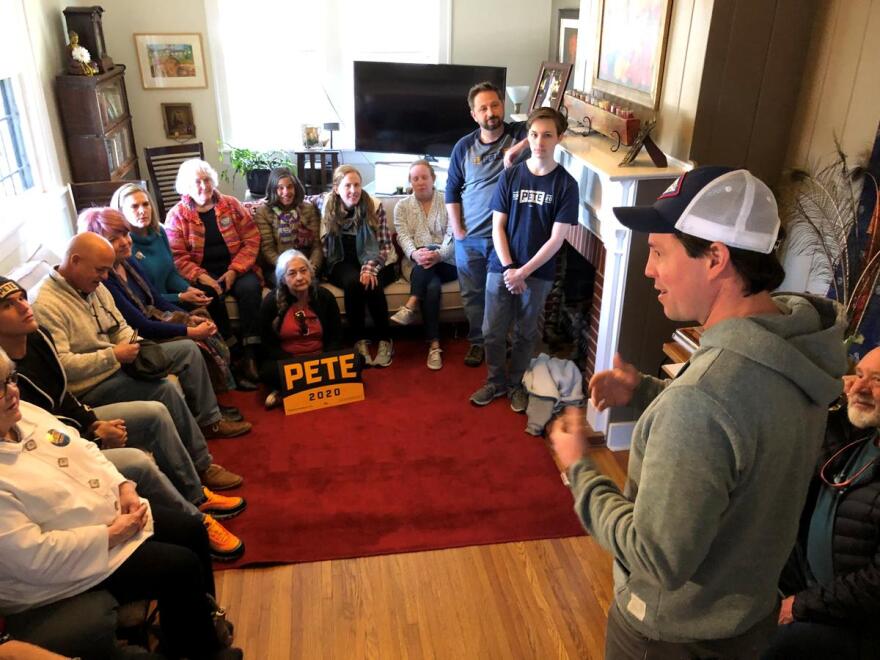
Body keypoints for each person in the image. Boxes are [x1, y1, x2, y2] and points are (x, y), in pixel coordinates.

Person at [548, 166, 848, 658]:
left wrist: (579, 467)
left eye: (660, 253)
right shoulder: (801, 346)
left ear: (715, 257)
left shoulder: (704, 399)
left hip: (668, 635)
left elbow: (655, 558)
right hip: (748, 621)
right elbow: (743, 435)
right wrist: (646, 391)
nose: (648, 269)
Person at [0, 347, 244, 660]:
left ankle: (192, 632)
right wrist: (111, 535)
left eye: (11, 379)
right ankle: (202, 650)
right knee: (179, 566)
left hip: (106, 517)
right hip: (66, 566)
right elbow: (35, 558)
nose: (12, 391)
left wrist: (123, 486)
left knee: (191, 528)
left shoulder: (25, 414)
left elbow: (83, 448)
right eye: (0, 387)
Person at [0, 275, 245, 560]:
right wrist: (93, 433)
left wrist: (92, 421)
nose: (23, 307)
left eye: (21, 297)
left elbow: (63, 393)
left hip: (75, 422)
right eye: (8, 304)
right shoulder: (6, 373)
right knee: (138, 461)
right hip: (50, 448)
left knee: (155, 412)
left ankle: (197, 495)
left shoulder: (36, 335)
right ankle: (194, 522)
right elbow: (35, 429)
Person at [29, 233, 248, 488]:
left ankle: (211, 422)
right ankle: (202, 466)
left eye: (107, 270)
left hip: (121, 362)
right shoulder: (45, 304)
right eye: (100, 270)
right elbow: (63, 368)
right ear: (75, 261)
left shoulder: (93, 285)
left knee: (187, 350)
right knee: (165, 389)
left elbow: (120, 326)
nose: (105, 277)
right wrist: (113, 354)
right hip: (91, 385)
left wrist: (132, 345)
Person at [763, 348, 880, 659]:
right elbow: (820, 439)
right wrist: (834, 396)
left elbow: (875, 585)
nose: (860, 388)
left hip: (851, 620)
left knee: (766, 647)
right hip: (805, 581)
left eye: (877, 380)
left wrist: (800, 606)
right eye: (858, 376)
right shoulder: (860, 436)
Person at [469, 108, 578, 410]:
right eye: (533, 134)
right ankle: (494, 382)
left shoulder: (566, 185)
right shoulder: (511, 176)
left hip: (538, 273)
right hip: (501, 266)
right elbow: (497, 226)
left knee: (525, 332)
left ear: (559, 138)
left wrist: (524, 272)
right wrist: (508, 268)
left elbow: (557, 239)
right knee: (492, 330)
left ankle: (516, 384)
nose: (538, 141)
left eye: (547, 135)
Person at [81, 206, 238, 395]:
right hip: (139, 337)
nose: (124, 242)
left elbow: (156, 299)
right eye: (113, 239)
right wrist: (190, 331)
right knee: (192, 346)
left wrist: (188, 318)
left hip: (154, 321)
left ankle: (219, 398)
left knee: (201, 316)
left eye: (125, 234)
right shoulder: (106, 281)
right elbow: (140, 326)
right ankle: (211, 418)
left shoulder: (129, 262)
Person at [445, 80, 529, 367]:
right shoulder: (464, 147)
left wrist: (517, 149)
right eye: (483, 108)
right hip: (468, 238)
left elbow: (552, 127)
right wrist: (457, 230)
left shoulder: (518, 134)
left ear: (502, 105)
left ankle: (497, 341)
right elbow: (451, 190)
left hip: (503, 238)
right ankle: (477, 343)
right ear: (474, 114)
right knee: (472, 296)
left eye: (495, 104)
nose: (491, 112)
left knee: (499, 294)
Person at [165, 158, 263, 388]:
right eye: (197, 182)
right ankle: (230, 355)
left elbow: (251, 239)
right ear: (186, 186)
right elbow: (177, 256)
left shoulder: (231, 204)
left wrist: (234, 270)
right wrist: (202, 276)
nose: (203, 186)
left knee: (250, 288)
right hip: (202, 273)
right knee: (209, 294)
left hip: (236, 267)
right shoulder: (177, 215)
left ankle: (250, 355)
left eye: (207, 180)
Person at [308, 164, 397, 368]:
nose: (353, 191)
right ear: (336, 188)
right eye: (348, 185)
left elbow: (384, 246)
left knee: (371, 282)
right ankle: (359, 341)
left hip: (377, 258)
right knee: (353, 283)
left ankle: (385, 340)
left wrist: (369, 268)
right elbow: (303, 199)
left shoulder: (373, 205)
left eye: (357, 185)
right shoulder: (326, 202)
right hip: (341, 260)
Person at [390, 160, 457, 370]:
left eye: (424, 177)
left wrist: (438, 254)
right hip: (414, 263)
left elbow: (453, 236)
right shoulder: (402, 206)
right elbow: (403, 237)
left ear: (433, 179)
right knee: (432, 285)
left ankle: (411, 304)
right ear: (410, 182)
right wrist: (414, 254)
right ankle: (434, 345)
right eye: (415, 178)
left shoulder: (449, 201)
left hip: (447, 262)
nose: (420, 182)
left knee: (430, 251)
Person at [258, 249, 343, 409]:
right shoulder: (270, 302)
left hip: (321, 360)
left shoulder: (325, 297)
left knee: (358, 362)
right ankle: (311, 385)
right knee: (266, 372)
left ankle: (288, 390)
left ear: (311, 273)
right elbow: (268, 345)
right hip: (289, 363)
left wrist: (323, 360)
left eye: (304, 271)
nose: (299, 277)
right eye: (292, 273)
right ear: (283, 279)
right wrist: (294, 364)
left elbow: (335, 336)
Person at [109, 181, 213, 308]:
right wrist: (180, 297)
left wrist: (187, 289)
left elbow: (170, 274)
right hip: (152, 306)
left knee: (209, 295)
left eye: (146, 204)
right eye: (134, 206)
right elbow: (143, 296)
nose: (142, 211)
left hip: (170, 297)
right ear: (120, 212)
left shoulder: (159, 232)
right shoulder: (125, 245)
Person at [252, 167, 322, 286]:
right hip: (277, 266)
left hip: (306, 266)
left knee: (311, 286)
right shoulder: (263, 212)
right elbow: (267, 249)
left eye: (290, 187)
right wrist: (289, 269)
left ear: (296, 187)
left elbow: (317, 245)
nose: (286, 192)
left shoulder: (308, 209)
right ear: (273, 189)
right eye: (280, 188)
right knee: (288, 284)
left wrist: (311, 268)